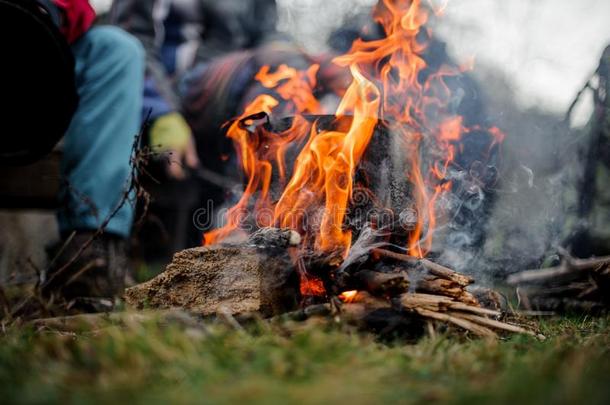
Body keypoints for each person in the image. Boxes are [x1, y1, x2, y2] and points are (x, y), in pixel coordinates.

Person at [25, 0, 147, 306]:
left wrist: (50, 8)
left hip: (37, 52)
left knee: (117, 50)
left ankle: (88, 250)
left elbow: (78, 9)